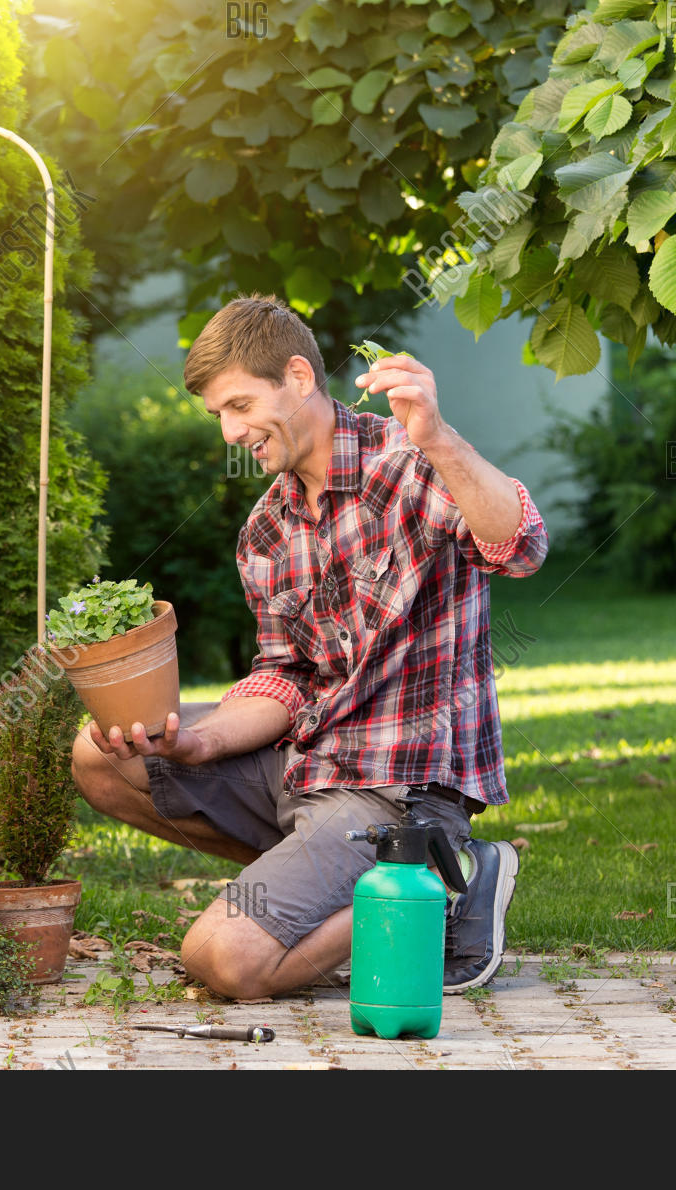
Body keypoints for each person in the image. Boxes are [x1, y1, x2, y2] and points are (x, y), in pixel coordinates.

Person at [71, 293, 549, 1001]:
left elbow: (522, 548)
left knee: (224, 960)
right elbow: (285, 677)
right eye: (218, 415)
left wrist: (441, 439)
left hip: (396, 786)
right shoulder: (267, 530)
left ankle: (437, 886)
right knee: (99, 755)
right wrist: (200, 744)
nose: (230, 432)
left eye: (240, 405)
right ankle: (342, 890)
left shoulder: (409, 463)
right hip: (309, 766)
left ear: (298, 377)